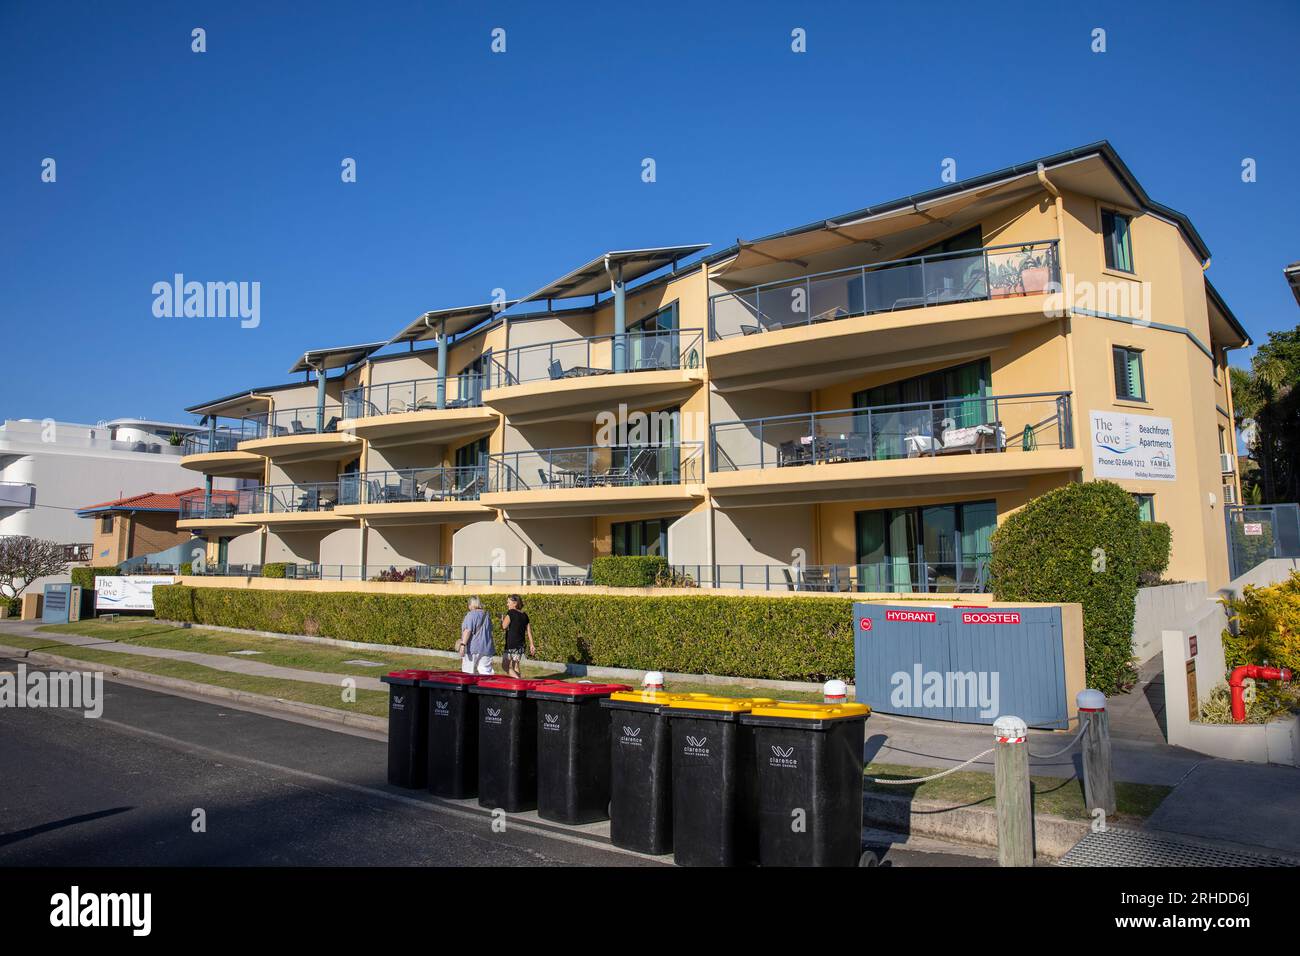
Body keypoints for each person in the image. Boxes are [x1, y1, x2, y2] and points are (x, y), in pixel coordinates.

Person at [500, 594, 536, 678]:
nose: (507, 604)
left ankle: (518, 680)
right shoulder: (525, 615)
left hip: (511, 644)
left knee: (505, 666)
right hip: (521, 644)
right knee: (515, 666)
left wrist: (502, 620)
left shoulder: (511, 612)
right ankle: (518, 687)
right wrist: (531, 644)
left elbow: (504, 626)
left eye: (508, 602)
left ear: (515, 603)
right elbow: (529, 631)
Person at [457, 596, 494, 675]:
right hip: (487, 648)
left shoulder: (470, 615)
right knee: (486, 672)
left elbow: (467, 631)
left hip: (472, 648)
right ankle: (487, 687)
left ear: (471, 604)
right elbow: (490, 630)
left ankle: (467, 687)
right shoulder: (487, 615)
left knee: (468, 672)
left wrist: (463, 645)